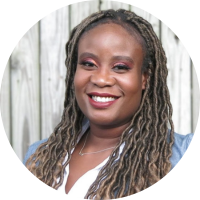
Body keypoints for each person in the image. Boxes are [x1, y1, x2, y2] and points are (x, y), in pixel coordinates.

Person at [23, 9, 193, 199]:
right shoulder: (39, 155)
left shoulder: (184, 155)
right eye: (88, 64)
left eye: (120, 67)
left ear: (145, 78)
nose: (101, 79)